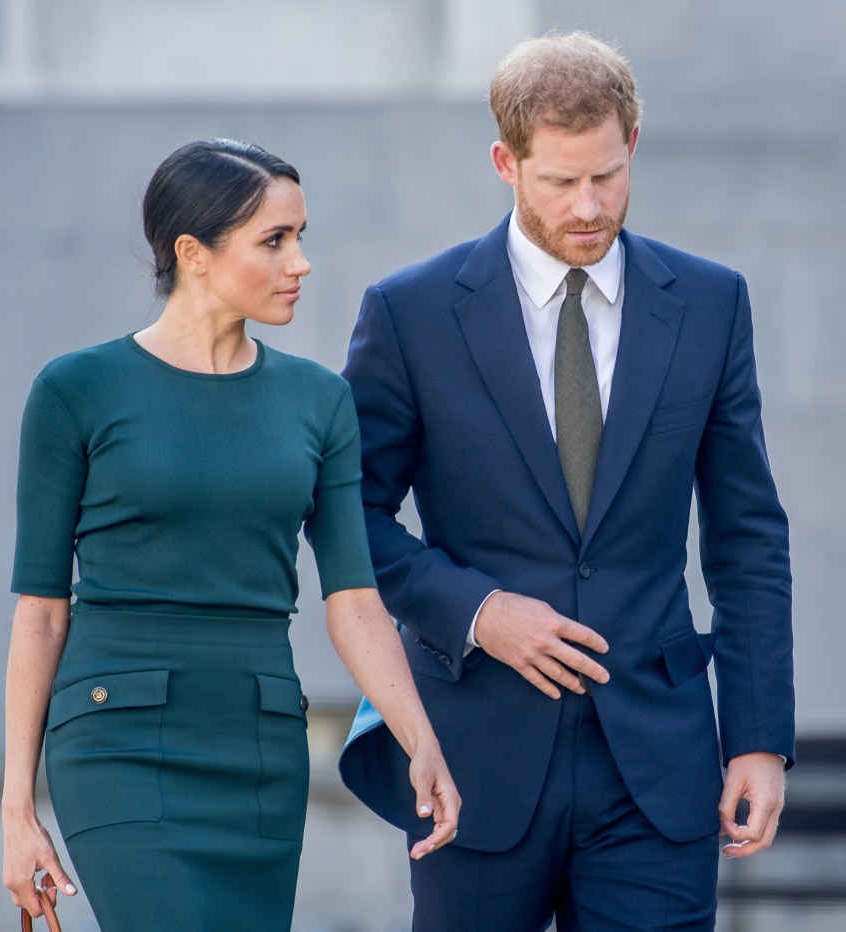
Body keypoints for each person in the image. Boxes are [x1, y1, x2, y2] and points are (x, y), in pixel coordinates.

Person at [338, 32, 793, 931]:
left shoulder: (709, 304)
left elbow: (747, 536)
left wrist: (756, 738)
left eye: (608, 175)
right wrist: (477, 611)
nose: (589, 206)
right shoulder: (411, 313)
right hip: (472, 763)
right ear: (505, 162)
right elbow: (347, 513)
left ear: (632, 145)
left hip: (656, 770)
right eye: (559, 181)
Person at [1, 138, 459, 930]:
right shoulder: (75, 390)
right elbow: (41, 611)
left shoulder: (318, 402)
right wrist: (15, 811)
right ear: (193, 254)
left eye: (301, 236)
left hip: (256, 743)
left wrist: (420, 738)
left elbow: (353, 600)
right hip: (117, 739)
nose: (301, 262)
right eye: (274, 240)